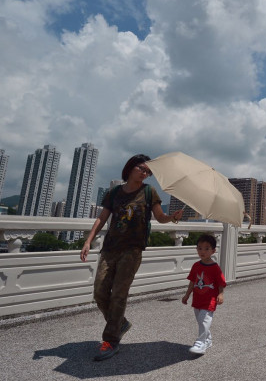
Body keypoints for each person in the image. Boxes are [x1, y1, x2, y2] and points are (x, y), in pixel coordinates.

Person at [80, 154, 184, 361]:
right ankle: (120, 323)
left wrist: (172, 217)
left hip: (133, 249)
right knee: (100, 291)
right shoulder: (114, 192)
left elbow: (160, 217)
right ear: (130, 168)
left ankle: (111, 340)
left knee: (119, 293)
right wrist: (88, 240)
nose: (145, 173)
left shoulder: (149, 191)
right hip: (110, 248)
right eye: (141, 168)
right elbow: (102, 218)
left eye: (148, 172)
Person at [182, 233, 227, 355]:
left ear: (213, 251)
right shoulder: (196, 266)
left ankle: (200, 343)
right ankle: (208, 339)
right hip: (197, 299)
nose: (203, 251)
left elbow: (220, 282)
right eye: (200, 248)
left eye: (207, 248)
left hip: (209, 300)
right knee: (200, 320)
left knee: (203, 320)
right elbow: (192, 281)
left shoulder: (215, 268)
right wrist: (187, 295)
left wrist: (221, 294)